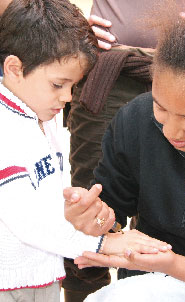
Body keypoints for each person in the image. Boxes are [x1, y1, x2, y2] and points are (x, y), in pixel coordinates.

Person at [67, 10, 185, 302]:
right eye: (161, 107)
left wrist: (173, 265)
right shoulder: (136, 120)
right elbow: (112, 212)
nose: (173, 131)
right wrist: (96, 221)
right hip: (144, 287)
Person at [0, 1, 170, 301]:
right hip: (13, 282)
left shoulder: (38, 111)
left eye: (73, 86)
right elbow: (25, 221)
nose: (66, 97)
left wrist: (76, 208)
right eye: (58, 84)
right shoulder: (8, 131)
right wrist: (103, 244)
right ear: (14, 69)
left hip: (43, 270)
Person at [63, 1, 185, 301]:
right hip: (111, 67)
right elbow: (95, 213)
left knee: (172, 202)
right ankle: (83, 294)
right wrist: (68, 24)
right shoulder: (133, 117)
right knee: (93, 201)